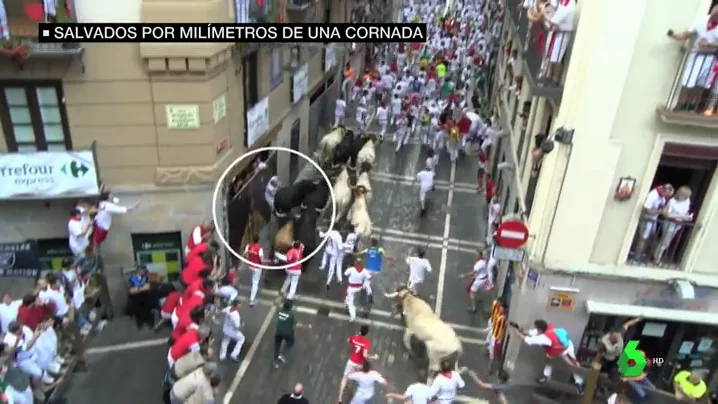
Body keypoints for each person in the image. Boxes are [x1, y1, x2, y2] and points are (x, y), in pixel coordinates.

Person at [512, 319, 584, 394]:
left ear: (540, 329)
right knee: (552, 361)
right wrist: (523, 331)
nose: (536, 329)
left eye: (537, 328)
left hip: (561, 350)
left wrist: (519, 335)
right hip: (567, 345)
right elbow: (534, 333)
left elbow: (530, 340)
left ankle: (579, 384)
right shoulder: (549, 327)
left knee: (572, 365)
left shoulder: (545, 337)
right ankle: (546, 376)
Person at [592, 316, 643, 381]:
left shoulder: (620, 334)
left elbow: (627, 324)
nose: (617, 336)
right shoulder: (605, 343)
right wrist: (595, 362)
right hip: (607, 360)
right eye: (615, 336)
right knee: (599, 369)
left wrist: (637, 319)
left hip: (617, 359)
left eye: (617, 335)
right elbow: (599, 355)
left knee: (615, 373)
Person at [273, 300, 312, 369]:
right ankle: (282, 354)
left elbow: (276, 303)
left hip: (278, 332)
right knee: (290, 343)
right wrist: (307, 326)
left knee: (277, 345)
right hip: (287, 333)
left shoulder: (280, 311)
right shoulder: (290, 315)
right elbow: (298, 325)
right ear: (290, 307)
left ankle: (275, 362)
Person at [344, 257, 372, 322]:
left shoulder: (351, 269)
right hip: (359, 288)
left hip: (351, 288)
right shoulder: (364, 270)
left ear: (355, 263)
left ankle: (353, 315)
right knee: (353, 300)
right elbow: (369, 278)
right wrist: (365, 284)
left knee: (351, 302)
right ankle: (348, 304)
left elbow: (345, 274)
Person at [243, 235, 266, 307]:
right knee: (255, 283)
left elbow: (245, 255)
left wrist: (249, 256)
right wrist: (270, 261)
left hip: (250, 266)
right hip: (257, 267)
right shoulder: (260, 249)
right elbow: (262, 260)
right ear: (258, 240)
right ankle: (252, 300)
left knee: (253, 280)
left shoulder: (248, 246)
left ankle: (252, 297)